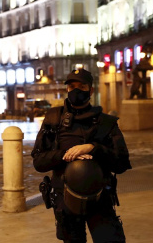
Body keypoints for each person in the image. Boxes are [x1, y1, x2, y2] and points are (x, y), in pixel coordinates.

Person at [31, 69, 132, 243]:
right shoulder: (53, 119)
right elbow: (39, 161)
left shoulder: (106, 122)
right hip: (65, 200)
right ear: (67, 89)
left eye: (82, 86)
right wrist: (65, 154)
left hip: (100, 198)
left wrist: (93, 148)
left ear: (91, 90)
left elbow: (122, 162)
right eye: (72, 86)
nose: (76, 90)